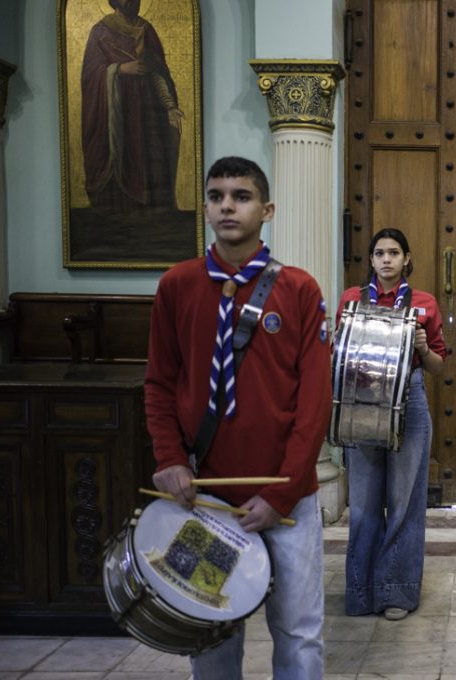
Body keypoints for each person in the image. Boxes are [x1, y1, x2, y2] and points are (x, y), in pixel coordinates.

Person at [145, 156, 331, 679]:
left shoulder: (299, 290)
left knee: (297, 632)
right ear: (205, 208)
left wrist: (281, 493)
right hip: (205, 498)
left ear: (267, 209)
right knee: (211, 633)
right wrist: (169, 458)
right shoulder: (176, 286)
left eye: (241, 196)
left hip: (288, 498)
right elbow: (160, 384)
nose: (227, 205)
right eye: (217, 195)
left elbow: (314, 406)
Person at [336, 228, 446, 621]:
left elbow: (438, 365)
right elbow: (338, 352)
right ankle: (361, 592)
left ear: (406, 259)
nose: (386, 259)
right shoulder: (352, 299)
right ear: (371, 260)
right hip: (360, 397)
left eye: (394, 253)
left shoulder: (424, 303)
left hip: (409, 397)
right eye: (379, 253)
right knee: (364, 502)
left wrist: (421, 347)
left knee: (403, 501)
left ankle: (396, 591)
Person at [81, 0, 184, 210]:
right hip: (118, 114)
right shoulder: (100, 32)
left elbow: (159, 72)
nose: (133, 1)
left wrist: (169, 105)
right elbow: (90, 77)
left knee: (151, 164)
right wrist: (119, 69)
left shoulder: (146, 30)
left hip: (147, 113)